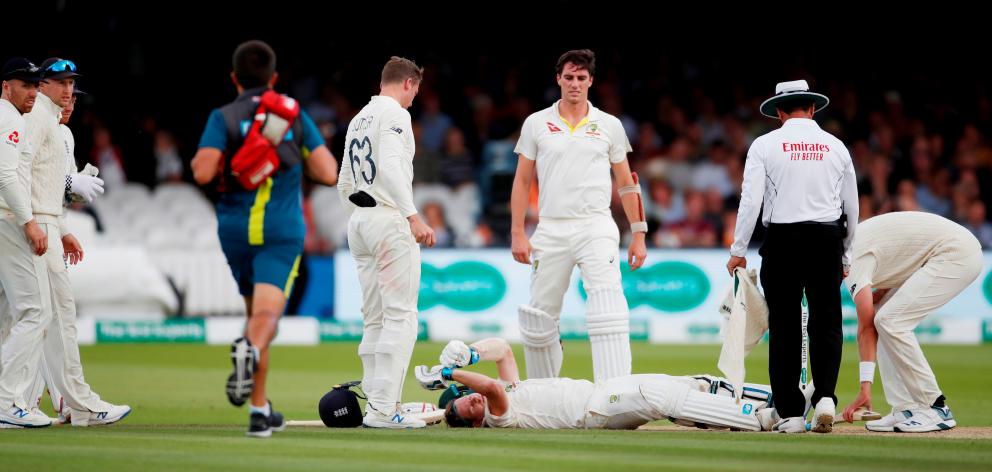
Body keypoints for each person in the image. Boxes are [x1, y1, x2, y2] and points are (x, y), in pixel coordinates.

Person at [191, 40, 338, 438]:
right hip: (280, 230)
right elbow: (328, 172)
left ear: (234, 78)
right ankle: (249, 351)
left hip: (235, 230)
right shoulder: (291, 115)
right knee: (266, 319)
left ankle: (259, 409)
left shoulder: (222, 116)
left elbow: (202, 172)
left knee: (256, 315)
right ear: (273, 78)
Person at [727, 79, 859, 433]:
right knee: (827, 321)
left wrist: (738, 250)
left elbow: (750, 201)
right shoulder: (836, 146)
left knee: (785, 326)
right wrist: (846, 254)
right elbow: (852, 206)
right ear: (812, 108)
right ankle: (827, 398)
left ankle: (790, 414)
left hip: (783, 239)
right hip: (826, 237)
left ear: (780, 112)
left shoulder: (765, 144)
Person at [509, 49, 646, 384]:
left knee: (607, 304)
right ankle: (543, 394)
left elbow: (627, 183)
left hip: (596, 226)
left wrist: (639, 233)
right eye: (568, 77)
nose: (574, 84)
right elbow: (522, 180)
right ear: (558, 79)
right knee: (541, 316)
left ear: (591, 81)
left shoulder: (609, 125)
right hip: (551, 228)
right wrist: (517, 232)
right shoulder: (537, 123)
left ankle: (615, 395)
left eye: (581, 78)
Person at [5, 57, 127, 427]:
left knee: (40, 316)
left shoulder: (53, 124)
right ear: (43, 86)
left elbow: (42, 182)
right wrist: (35, 220)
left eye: (72, 84)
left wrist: (61, 224)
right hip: (30, 222)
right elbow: (17, 173)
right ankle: (62, 403)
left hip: (43, 221)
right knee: (46, 315)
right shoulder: (34, 119)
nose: (69, 92)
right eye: (62, 84)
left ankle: (30, 403)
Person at [337, 56, 434, 428]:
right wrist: (411, 215)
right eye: (416, 90)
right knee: (401, 316)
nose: (414, 99)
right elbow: (392, 168)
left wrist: (360, 211)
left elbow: (345, 178)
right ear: (408, 82)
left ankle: (377, 404)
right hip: (389, 220)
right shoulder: (396, 114)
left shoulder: (359, 116)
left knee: (374, 317)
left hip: (359, 221)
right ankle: (382, 410)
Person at [415, 338, 773, 431]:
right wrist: (446, 375)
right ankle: (758, 421)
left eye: (469, 398)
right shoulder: (498, 417)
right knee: (661, 398)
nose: (476, 400)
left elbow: (504, 350)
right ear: (477, 421)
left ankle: (780, 402)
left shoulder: (510, 390)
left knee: (692, 383)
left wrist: (468, 354)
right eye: (471, 407)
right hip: (596, 411)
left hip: (602, 388)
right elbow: (490, 388)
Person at [842, 212, 983, 432]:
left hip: (955, 253)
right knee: (883, 314)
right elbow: (899, 258)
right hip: (939, 253)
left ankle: (934, 407)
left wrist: (865, 389)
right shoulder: (851, 242)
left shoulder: (850, 259)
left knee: (891, 321)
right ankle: (905, 408)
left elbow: (865, 328)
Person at [0, 57, 51, 428]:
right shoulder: (9, 117)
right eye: (26, 85)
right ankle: (7, 401)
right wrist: (30, 222)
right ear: (7, 86)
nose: (33, 92)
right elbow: (5, 176)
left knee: (8, 314)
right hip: (7, 220)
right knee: (35, 311)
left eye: (36, 86)